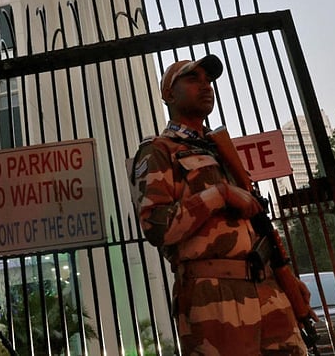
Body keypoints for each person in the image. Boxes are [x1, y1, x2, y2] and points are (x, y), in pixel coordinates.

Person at [131, 55, 307, 355]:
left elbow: (256, 223)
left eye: (208, 80)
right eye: (193, 79)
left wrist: (285, 275)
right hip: (213, 296)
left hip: (267, 289)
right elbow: (157, 227)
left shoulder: (221, 150)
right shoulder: (158, 151)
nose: (205, 86)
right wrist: (219, 194)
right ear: (168, 95)